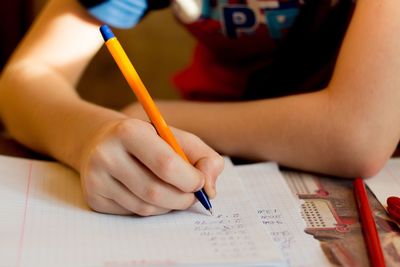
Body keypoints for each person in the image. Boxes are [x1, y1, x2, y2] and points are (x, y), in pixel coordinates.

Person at [0, 0, 399, 215]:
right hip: (211, 146)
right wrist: (90, 134)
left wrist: (143, 116)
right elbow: (27, 76)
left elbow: (357, 134)